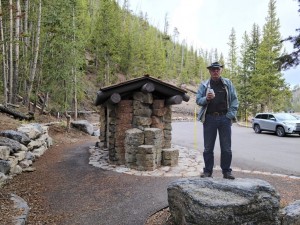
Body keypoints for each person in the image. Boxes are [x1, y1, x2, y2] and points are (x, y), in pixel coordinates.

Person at [196, 62, 239, 179]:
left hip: (224, 118)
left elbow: (235, 100)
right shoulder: (204, 85)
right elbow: (198, 100)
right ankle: (208, 171)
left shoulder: (227, 83)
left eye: (217, 69)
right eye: (213, 70)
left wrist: (229, 115)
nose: (215, 71)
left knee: (226, 147)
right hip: (209, 118)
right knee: (208, 147)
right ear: (209, 71)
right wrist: (206, 99)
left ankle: (226, 171)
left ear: (221, 71)